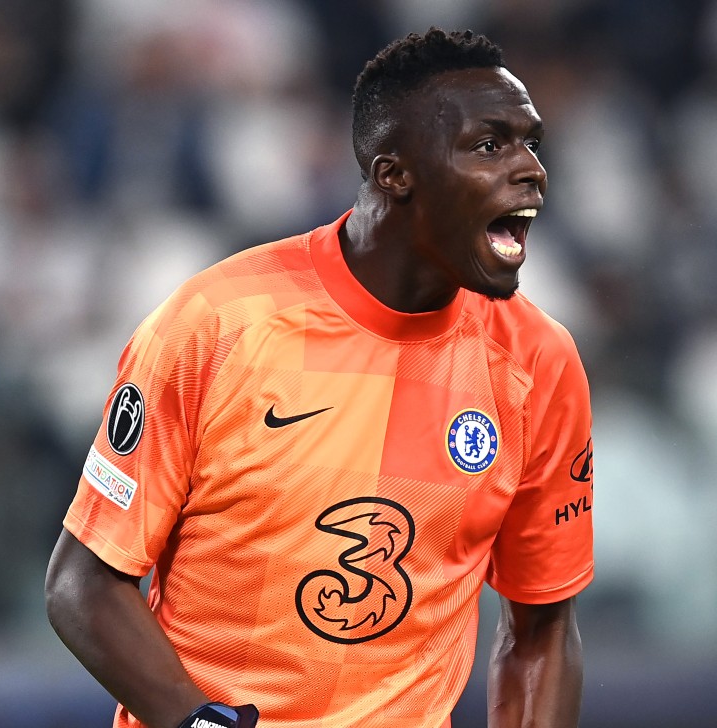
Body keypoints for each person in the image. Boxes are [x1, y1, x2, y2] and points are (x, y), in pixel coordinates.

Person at [45, 28, 594, 728]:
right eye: (489, 145)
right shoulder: (219, 324)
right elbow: (83, 581)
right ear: (395, 173)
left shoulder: (538, 362)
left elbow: (541, 625)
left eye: (531, 144)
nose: (531, 170)